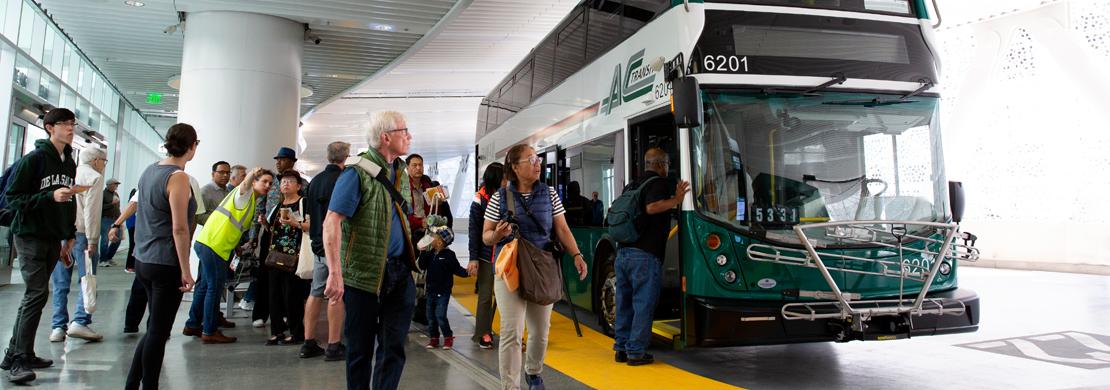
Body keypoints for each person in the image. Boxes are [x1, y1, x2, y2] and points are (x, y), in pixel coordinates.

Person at [324, 110, 417, 390]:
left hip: (399, 273)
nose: (409, 136)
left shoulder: (399, 172)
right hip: (364, 276)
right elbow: (332, 222)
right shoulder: (356, 174)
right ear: (386, 137)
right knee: (360, 351)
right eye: (404, 130)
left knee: (394, 348)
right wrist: (335, 273)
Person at [482, 144, 588, 390]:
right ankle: (511, 386)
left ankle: (533, 372)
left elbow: (561, 229)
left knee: (540, 332)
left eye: (538, 159)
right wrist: (497, 235)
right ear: (515, 167)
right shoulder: (500, 197)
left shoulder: (550, 194)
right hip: (510, 270)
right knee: (511, 331)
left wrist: (577, 254)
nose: (537, 163)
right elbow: (486, 236)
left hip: (541, 267)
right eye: (531, 159)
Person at [1, 108, 79, 385]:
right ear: (49, 128)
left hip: (51, 236)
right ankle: (19, 360)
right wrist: (48, 196)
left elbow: (68, 199)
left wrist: (69, 234)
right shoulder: (33, 160)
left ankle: (16, 353)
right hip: (29, 234)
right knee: (36, 294)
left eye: (72, 123)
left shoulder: (69, 162)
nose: (70, 128)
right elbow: (13, 198)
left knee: (36, 295)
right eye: (64, 124)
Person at [125, 123, 198, 390]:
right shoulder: (177, 177)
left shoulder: (149, 170)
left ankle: (133, 383)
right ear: (192, 147)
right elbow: (179, 228)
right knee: (159, 331)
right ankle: (149, 386)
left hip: (144, 258)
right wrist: (186, 268)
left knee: (154, 328)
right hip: (164, 261)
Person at [612, 148, 689, 366]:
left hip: (623, 253)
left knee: (624, 302)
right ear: (660, 164)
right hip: (644, 255)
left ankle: (621, 348)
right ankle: (636, 352)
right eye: (666, 163)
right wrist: (677, 199)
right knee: (643, 303)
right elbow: (652, 207)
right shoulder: (658, 184)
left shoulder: (633, 184)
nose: (667, 167)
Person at [183, 167, 274, 344]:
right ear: (254, 182)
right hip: (215, 246)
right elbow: (244, 185)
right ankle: (209, 331)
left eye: (270, 183)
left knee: (204, 286)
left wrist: (237, 247)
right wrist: (252, 174)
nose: (268, 186)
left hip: (210, 243)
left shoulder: (252, 202)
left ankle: (193, 323)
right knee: (214, 288)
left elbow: (235, 227)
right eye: (264, 181)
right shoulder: (244, 196)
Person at [49, 146, 108, 343]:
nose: (104, 165)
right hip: (81, 233)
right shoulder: (94, 177)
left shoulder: (67, 174)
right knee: (87, 277)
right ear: (96, 161)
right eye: (104, 161)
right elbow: (91, 212)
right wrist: (93, 240)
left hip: (60, 233)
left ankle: (58, 326)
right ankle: (80, 321)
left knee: (60, 281)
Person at [300, 141, 349, 361]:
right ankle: (333, 345)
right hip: (336, 247)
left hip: (318, 246)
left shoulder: (315, 181)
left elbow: (310, 215)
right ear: (346, 158)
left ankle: (308, 343)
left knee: (316, 292)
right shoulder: (343, 180)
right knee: (336, 293)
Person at [263, 171, 311, 345]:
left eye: (290, 181)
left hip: (295, 256)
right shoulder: (278, 205)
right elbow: (274, 230)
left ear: (298, 186)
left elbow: (311, 226)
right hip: (276, 255)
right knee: (274, 295)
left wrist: (294, 223)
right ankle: (277, 332)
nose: (286, 184)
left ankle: (297, 333)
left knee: (293, 296)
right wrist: (264, 224)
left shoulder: (303, 203)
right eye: (283, 181)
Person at [467, 162, 504, 350]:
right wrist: (473, 257)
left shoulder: (510, 195)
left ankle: (509, 334)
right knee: (485, 296)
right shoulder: (479, 199)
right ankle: (483, 333)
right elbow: (474, 230)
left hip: (507, 255)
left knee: (508, 296)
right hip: (486, 255)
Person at [419, 229, 467, 350]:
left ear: (440, 242)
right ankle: (434, 338)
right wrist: (423, 252)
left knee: (440, 315)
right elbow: (422, 266)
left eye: (434, 237)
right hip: (430, 291)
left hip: (443, 292)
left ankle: (448, 337)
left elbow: (457, 269)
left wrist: (468, 272)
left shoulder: (449, 256)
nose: (431, 239)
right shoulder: (431, 254)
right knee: (430, 316)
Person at [197, 161, 232, 226]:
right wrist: (219, 221)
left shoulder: (228, 191)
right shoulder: (205, 191)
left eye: (228, 173)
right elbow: (198, 216)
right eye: (221, 172)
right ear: (213, 174)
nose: (225, 175)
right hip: (212, 232)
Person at [100, 178, 123, 266]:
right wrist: (111, 204)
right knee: (105, 239)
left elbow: (118, 207)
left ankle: (109, 257)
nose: (116, 186)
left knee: (118, 238)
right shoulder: (103, 194)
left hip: (116, 219)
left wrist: (121, 219)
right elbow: (100, 207)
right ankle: (102, 260)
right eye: (115, 184)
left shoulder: (116, 194)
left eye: (117, 185)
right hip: (106, 219)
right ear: (109, 185)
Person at [125, 189, 138, 273]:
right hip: (133, 225)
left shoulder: (131, 205)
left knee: (133, 245)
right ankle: (129, 266)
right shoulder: (133, 205)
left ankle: (131, 265)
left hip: (133, 225)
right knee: (133, 245)